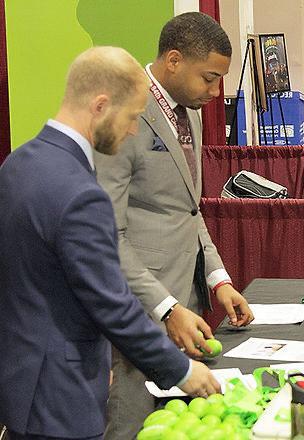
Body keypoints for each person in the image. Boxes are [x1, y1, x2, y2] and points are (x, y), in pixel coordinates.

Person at [0, 47, 220, 440]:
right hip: (62, 393)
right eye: (133, 116)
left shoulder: (17, 163)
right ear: (101, 105)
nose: (134, 130)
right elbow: (112, 304)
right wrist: (182, 370)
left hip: (21, 380)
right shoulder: (82, 192)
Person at [94, 13, 254, 438]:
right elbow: (108, 235)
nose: (215, 91)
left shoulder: (191, 111)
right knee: (130, 422)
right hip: (140, 306)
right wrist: (164, 307)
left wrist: (218, 279)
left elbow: (189, 208)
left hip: (187, 299)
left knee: (176, 426)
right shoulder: (123, 113)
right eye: (209, 78)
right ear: (174, 60)